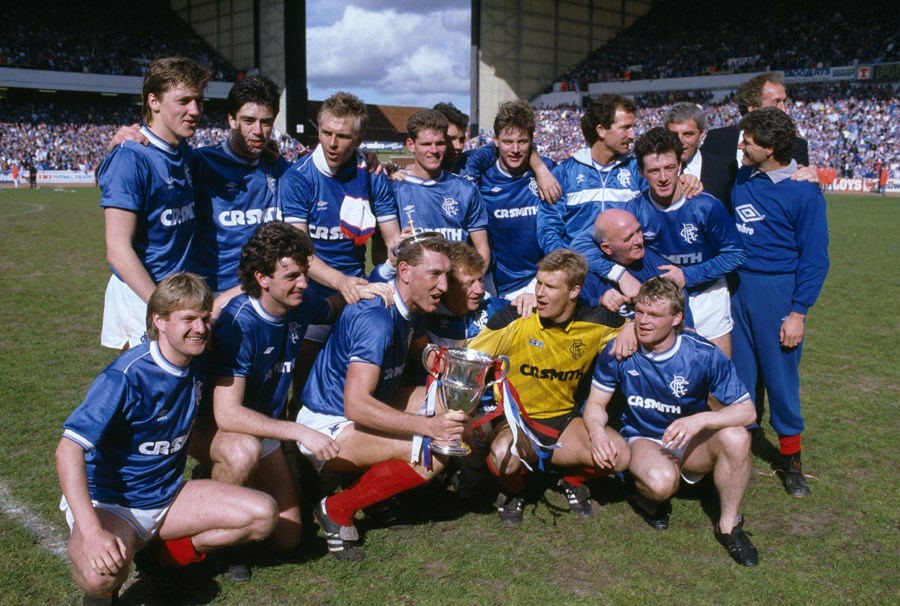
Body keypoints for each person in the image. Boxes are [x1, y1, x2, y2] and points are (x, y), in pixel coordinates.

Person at [55, 273, 278, 605]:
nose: (200, 328)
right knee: (98, 575)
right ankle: (109, 586)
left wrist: (257, 282)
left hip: (168, 497)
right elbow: (68, 449)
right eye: (188, 319)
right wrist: (91, 530)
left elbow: (218, 306)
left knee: (263, 514)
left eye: (204, 319)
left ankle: (160, 560)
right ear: (159, 320)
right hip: (115, 504)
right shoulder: (126, 375)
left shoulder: (197, 357)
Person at [190, 223, 389, 579]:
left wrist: (367, 287)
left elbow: (332, 305)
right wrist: (299, 431)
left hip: (263, 425)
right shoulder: (238, 325)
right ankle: (222, 541)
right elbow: (228, 414)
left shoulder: (298, 303)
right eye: (292, 276)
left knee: (287, 539)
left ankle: (219, 482)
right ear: (262, 279)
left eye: (304, 273)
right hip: (218, 427)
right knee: (241, 452)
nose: (303, 283)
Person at [294, 236, 468, 560]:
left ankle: (371, 488)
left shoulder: (413, 307)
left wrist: (447, 366)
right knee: (435, 450)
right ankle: (335, 509)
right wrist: (425, 427)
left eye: (446, 275)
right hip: (327, 424)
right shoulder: (376, 320)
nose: (443, 285)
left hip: (365, 406)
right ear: (404, 271)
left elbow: (422, 348)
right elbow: (356, 405)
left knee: (449, 406)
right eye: (434, 274)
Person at [584, 277, 759, 566]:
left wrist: (700, 420)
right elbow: (595, 404)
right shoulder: (621, 350)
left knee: (737, 436)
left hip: (688, 440)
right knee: (662, 485)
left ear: (677, 317)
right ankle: (641, 488)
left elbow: (747, 411)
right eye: (639, 312)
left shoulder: (702, 354)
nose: (644, 321)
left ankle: (729, 526)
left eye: (654, 315)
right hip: (644, 437)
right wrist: (597, 432)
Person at [468, 249, 634, 526]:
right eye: (539, 283)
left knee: (620, 456)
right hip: (515, 422)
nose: (540, 293)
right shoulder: (516, 316)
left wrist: (631, 327)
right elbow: (470, 358)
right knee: (503, 458)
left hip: (563, 423)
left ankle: (568, 478)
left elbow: (643, 326)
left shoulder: (597, 321)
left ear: (574, 291)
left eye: (551, 286)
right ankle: (517, 491)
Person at [574, 128, 745, 356]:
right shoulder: (634, 209)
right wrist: (619, 275)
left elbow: (735, 254)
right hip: (659, 303)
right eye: (654, 171)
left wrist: (687, 275)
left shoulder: (705, 206)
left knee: (715, 384)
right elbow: (580, 244)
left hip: (706, 296)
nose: (663, 178)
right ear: (641, 172)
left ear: (681, 167)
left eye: (670, 168)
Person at [279, 91, 402, 406]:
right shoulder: (298, 178)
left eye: (343, 136)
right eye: (326, 133)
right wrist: (341, 283)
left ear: (359, 137)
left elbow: (392, 240)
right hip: (312, 291)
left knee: (355, 383)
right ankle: (301, 446)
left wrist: (400, 251)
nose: (332, 143)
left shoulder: (372, 175)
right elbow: (301, 253)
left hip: (356, 290)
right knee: (305, 386)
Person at [731, 107, 829, 498]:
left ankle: (791, 459)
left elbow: (815, 258)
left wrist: (798, 312)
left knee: (781, 379)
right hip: (737, 290)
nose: (741, 145)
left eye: (749, 141)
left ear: (769, 148)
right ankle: (743, 446)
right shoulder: (740, 176)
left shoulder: (805, 192)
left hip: (778, 294)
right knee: (738, 376)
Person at [98, 56, 210, 350]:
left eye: (199, 100)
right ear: (154, 101)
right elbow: (118, 250)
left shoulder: (185, 153)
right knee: (147, 388)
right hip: (144, 296)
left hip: (177, 296)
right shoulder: (131, 157)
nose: (195, 110)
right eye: (184, 100)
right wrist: (162, 307)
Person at [537, 94, 701, 253]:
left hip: (630, 270)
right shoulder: (565, 173)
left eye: (633, 127)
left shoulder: (638, 169)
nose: (632, 135)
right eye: (625, 128)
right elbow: (548, 227)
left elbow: (662, 211)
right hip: (579, 270)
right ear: (601, 130)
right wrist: (567, 262)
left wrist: (684, 181)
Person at [460, 100, 556, 298]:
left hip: (539, 282)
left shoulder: (549, 172)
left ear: (532, 141)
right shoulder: (483, 179)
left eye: (522, 141)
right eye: (507, 141)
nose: (515, 149)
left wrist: (539, 168)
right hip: (497, 286)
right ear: (495, 140)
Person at [394, 109, 490, 270]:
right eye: (426, 144)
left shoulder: (467, 189)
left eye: (439, 143)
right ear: (411, 145)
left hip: (458, 287)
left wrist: (472, 283)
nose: (434, 150)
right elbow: (382, 252)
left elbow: (482, 249)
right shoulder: (395, 189)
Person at [572, 209, 695, 329]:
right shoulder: (589, 274)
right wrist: (599, 301)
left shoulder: (650, 259)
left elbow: (677, 293)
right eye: (628, 238)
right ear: (607, 248)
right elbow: (573, 310)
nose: (639, 240)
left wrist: (685, 326)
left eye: (638, 231)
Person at [702, 72, 809, 167]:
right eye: (776, 102)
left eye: (784, 102)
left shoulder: (797, 146)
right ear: (753, 108)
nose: (784, 109)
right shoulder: (715, 140)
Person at [664, 102, 737, 211]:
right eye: (673, 135)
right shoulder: (654, 169)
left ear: (701, 134)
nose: (680, 141)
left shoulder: (725, 168)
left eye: (688, 134)